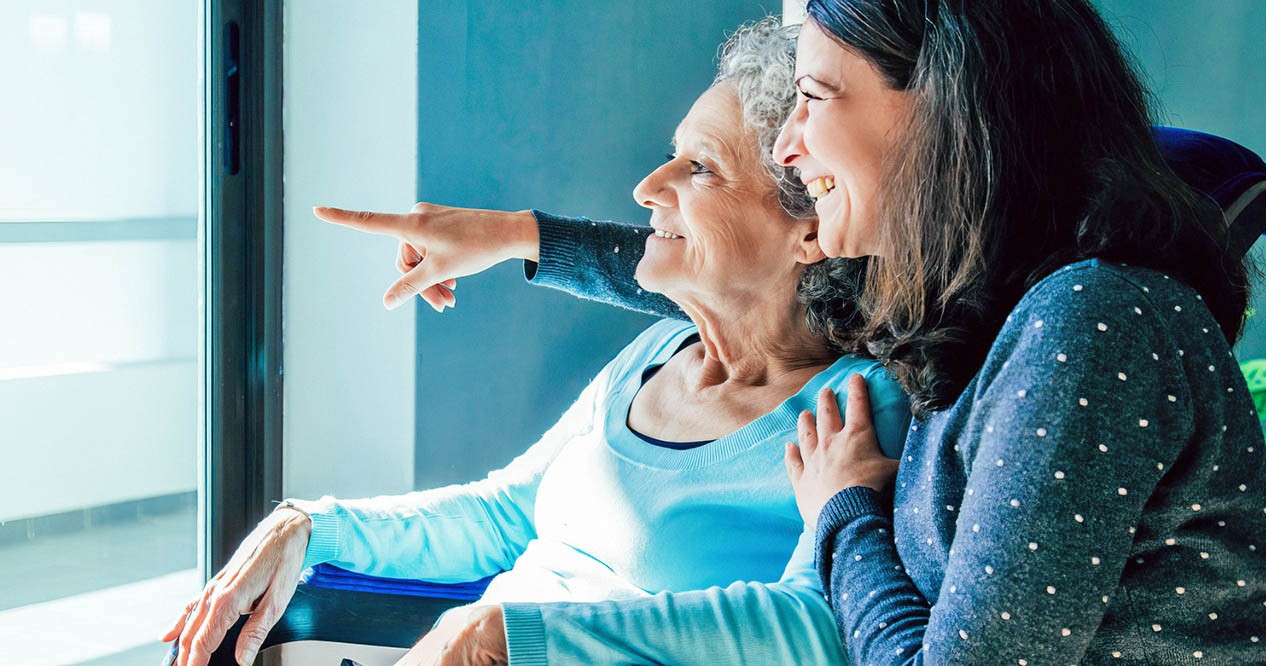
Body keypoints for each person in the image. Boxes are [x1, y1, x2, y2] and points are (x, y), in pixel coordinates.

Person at [325, 1, 1266, 663]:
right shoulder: (965, 320)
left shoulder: (1088, 325)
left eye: (816, 98)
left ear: (943, 110)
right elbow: (745, 279)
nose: (790, 146)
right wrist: (519, 238)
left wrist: (844, 511)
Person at [162, 18, 912, 666]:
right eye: (672, 154)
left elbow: (813, 627)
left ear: (809, 229)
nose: (648, 188)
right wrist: (312, 525)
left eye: (701, 169)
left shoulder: (856, 409)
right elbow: (501, 516)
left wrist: (511, 635)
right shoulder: (653, 356)